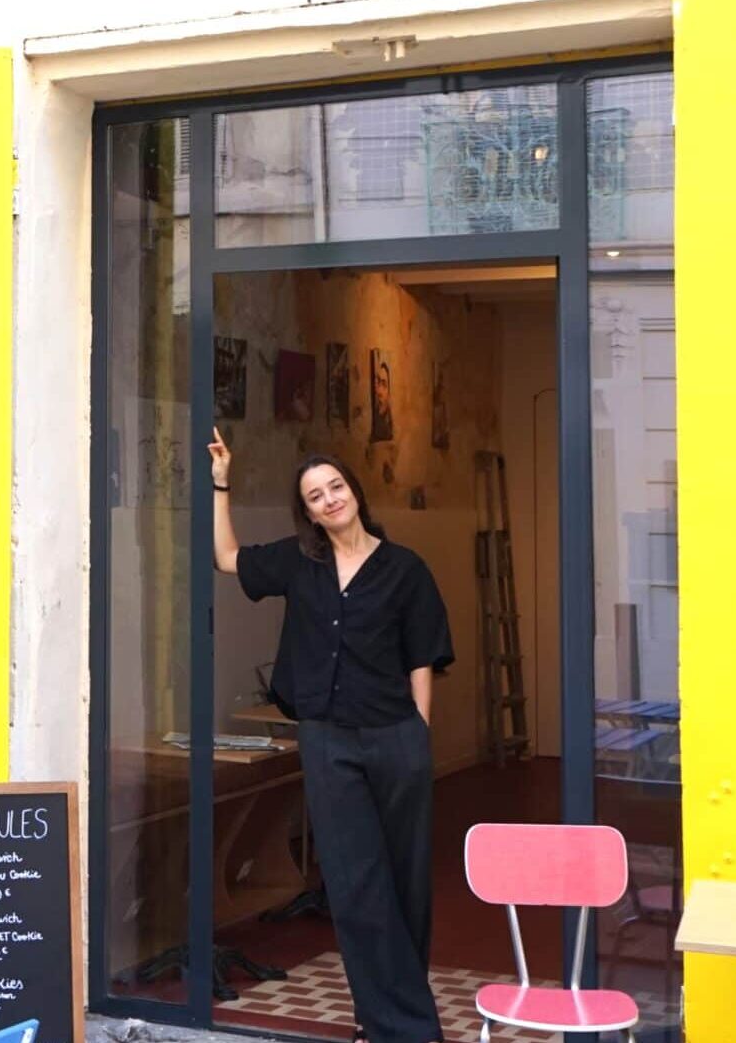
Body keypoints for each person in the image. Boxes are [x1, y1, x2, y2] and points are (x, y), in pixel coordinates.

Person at [208, 428, 453, 1043]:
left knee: (405, 881)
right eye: (315, 496)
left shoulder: (404, 569)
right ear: (308, 511)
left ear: (354, 492)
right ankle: (406, 1028)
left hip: (396, 736)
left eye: (335, 487)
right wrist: (220, 483)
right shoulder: (298, 561)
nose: (328, 500)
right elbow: (228, 558)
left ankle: (385, 1018)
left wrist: (419, 730)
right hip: (329, 741)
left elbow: (422, 654)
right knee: (353, 883)